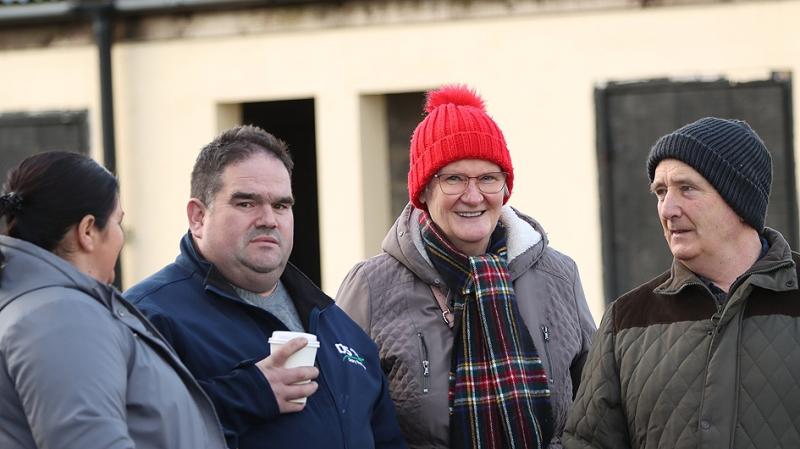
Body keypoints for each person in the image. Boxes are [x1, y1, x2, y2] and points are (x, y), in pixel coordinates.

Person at [336, 84, 597, 449]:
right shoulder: (371, 287)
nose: (473, 196)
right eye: (454, 178)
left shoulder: (558, 276)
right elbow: (340, 416)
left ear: (505, 188)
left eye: (488, 178)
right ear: (424, 190)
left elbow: (598, 411)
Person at [124, 125, 406, 449]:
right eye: (247, 203)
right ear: (198, 216)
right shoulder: (148, 317)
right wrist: (249, 393)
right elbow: (130, 432)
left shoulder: (337, 326)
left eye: (281, 205)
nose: (269, 219)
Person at [563, 117, 800, 449]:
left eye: (686, 188)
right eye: (661, 191)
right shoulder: (626, 320)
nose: (667, 209)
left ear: (739, 200)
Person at [0, 151, 226, 449]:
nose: (122, 234)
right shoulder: (63, 317)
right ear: (88, 231)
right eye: (118, 221)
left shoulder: (44, 306)